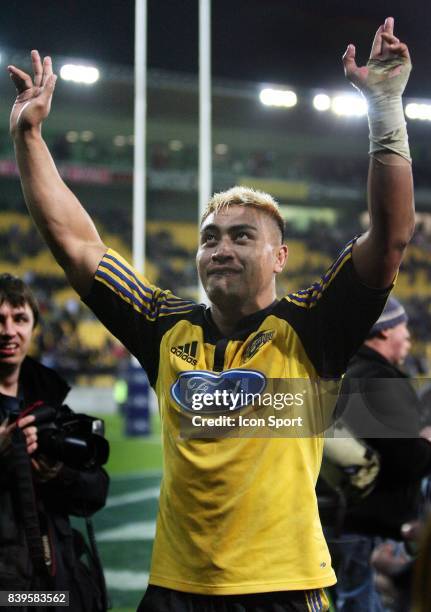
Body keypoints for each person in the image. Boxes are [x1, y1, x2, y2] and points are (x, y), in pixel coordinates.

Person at [8, 16, 414, 612]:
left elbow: (392, 236)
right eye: (209, 238)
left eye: (241, 237)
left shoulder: (311, 326)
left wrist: (384, 109)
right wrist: (28, 138)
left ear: (279, 256)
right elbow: (76, 244)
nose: (220, 248)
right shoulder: (163, 325)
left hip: (284, 588)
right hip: (175, 589)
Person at [0, 273, 109, 611]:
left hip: (54, 581)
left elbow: (96, 491)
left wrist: (58, 472)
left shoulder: (51, 406)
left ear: (33, 328)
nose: (8, 331)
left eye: (20, 319)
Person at [327, 298, 431, 611]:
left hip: (342, 523)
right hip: (373, 530)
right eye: (402, 327)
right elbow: (407, 460)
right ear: (384, 332)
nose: (409, 337)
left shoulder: (346, 372)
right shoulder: (379, 381)